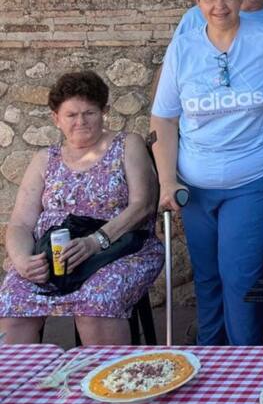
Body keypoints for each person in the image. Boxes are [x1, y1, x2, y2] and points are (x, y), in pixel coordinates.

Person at [151, 0, 263, 345]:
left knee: (239, 274)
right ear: (196, 2)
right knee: (207, 277)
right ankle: (210, 360)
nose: (219, 5)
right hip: (195, 185)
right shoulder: (183, 47)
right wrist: (167, 179)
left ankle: (245, 362)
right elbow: (163, 117)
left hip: (253, 180)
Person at [0, 72, 161, 345]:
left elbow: (143, 205)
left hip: (121, 250)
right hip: (56, 257)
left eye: (89, 113)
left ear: (104, 112)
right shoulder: (44, 159)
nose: (80, 122)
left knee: (95, 301)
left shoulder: (126, 145)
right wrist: (22, 261)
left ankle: (106, 382)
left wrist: (95, 242)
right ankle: (22, 385)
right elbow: (20, 224)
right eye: (71, 115)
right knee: (13, 300)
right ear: (56, 118)